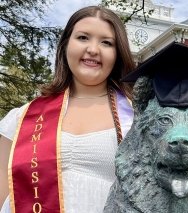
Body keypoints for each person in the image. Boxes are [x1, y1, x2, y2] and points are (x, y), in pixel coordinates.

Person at [0, 5, 135, 213]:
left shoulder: (136, 120)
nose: (93, 49)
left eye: (106, 42)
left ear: (118, 54)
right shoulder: (21, 118)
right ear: (65, 45)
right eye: (83, 38)